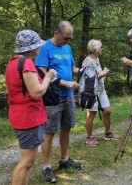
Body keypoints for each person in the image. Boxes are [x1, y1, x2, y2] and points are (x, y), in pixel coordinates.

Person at [5, 30, 57, 185]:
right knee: (27, 162)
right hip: (28, 117)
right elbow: (37, 92)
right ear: (31, 47)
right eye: (37, 45)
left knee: (26, 161)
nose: (39, 47)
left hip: (19, 114)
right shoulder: (26, 63)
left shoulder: (12, 62)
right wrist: (48, 76)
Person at [35, 21, 83, 183]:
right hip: (52, 97)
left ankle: (64, 160)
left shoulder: (67, 48)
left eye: (70, 38)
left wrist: (83, 70)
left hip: (68, 95)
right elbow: (43, 74)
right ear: (57, 33)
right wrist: (65, 83)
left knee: (66, 128)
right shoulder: (45, 48)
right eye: (66, 38)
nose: (68, 41)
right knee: (49, 132)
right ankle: (46, 167)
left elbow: (72, 68)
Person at [83, 39, 120, 146]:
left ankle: (108, 133)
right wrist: (103, 73)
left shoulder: (97, 59)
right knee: (91, 114)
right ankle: (89, 137)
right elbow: (89, 78)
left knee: (107, 111)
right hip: (91, 91)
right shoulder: (87, 61)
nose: (101, 49)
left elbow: (97, 74)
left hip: (101, 90)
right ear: (94, 49)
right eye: (100, 47)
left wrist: (102, 73)